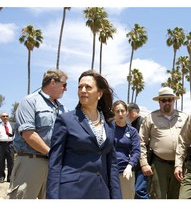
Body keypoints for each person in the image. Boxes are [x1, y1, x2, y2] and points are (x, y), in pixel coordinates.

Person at [46, 70, 122, 199]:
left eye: (88, 87)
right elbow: (55, 164)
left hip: (101, 192)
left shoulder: (109, 125)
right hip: (72, 192)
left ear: (99, 94)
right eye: (80, 87)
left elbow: (112, 166)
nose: (83, 90)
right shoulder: (65, 120)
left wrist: (116, 197)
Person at [7, 69, 68, 199]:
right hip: (30, 162)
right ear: (53, 82)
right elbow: (28, 134)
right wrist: (52, 154)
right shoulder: (29, 102)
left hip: (54, 166)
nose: (65, 89)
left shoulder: (63, 109)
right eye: (64, 85)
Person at [139, 87, 188, 199]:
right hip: (159, 164)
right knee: (158, 197)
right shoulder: (150, 118)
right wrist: (144, 163)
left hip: (179, 165)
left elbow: (189, 140)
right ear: (159, 101)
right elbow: (141, 141)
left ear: (174, 101)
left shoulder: (184, 117)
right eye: (164, 100)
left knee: (176, 198)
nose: (167, 102)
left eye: (169, 100)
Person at [112, 100, 140, 199]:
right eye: (117, 111)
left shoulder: (132, 131)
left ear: (127, 112)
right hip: (110, 171)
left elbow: (136, 151)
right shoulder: (108, 129)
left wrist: (130, 166)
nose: (120, 114)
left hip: (126, 172)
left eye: (122, 111)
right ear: (113, 113)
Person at [127, 103, 149, 199]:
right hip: (137, 162)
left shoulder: (142, 122)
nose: (128, 114)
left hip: (144, 161)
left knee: (140, 190)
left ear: (137, 111)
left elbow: (143, 143)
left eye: (131, 111)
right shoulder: (133, 123)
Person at [0, 112, 14, 183]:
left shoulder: (13, 125)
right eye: (3, 116)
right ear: (1, 117)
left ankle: (10, 177)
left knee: (11, 161)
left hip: (10, 145)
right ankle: (1, 177)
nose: (5, 117)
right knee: (1, 161)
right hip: (1, 145)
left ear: (8, 117)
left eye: (6, 116)